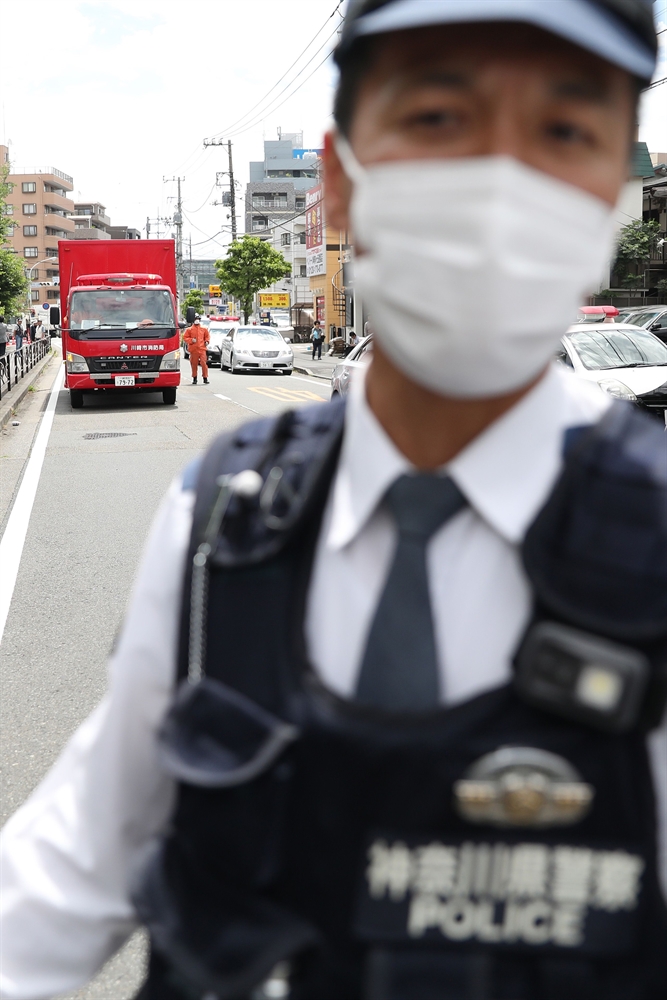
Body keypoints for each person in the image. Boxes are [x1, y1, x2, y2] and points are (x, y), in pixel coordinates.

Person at [1, 4, 666, 1000]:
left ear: (618, 191)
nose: (497, 185)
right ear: (341, 182)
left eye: (564, 131)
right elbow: (73, 863)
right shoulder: (223, 516)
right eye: (439, 117)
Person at [182, 314, 209, 385]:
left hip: (202, 349)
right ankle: (194, 378)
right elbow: (185, 338)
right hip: (194, 350)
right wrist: (191, 340)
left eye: (198, 319)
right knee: (194, 365)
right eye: (196, 319)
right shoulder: (189, 329)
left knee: (203, 363)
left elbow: (207, 337)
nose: (197, 320)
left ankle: (205, 378)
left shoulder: (204, 329)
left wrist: (207, 341)